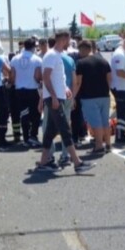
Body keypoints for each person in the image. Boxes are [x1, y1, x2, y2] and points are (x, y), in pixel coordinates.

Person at [36, 31, 95, 173]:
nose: (69, 42)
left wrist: (65, 89)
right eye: (68, 40)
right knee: (65, 130)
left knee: (51, 131)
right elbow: (46, 77)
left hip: (57, 96)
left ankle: (44, 162)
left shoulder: (57, 55)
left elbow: (57, 77)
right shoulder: (51, 55)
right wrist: (55, 96)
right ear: (63, 39)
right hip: (53, 98)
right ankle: (77, 163)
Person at [73, 41, 112, 154]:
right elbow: (109, 79)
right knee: (105, 121)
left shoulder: (80, 63)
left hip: (89, 97)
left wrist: (73, 96)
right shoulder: (103, 61)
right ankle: (108, 144)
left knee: (96, 122)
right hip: (104, 96)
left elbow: (78, 82)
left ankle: (99, 146)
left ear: (82, 49)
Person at [10, 38, 43, 147]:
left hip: (19, 90)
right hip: (32, 90)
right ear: (34, 47)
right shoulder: (37, 59)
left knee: (24, 114)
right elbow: (37, 76)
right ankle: (33, 136)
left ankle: (25, 138)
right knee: (36, 114)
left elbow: (12, 76)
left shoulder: (15, 59)